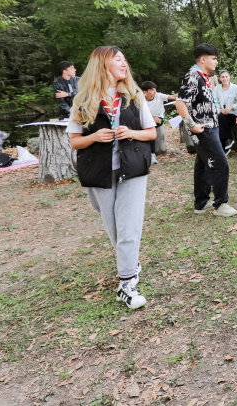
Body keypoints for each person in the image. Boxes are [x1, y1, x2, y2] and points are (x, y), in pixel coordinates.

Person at [68, 46, 157, 310]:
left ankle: (127, 284)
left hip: (133, 166)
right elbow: (74, 141)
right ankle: (130, 263)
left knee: (129, 225)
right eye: (117, 59)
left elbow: (151, 133)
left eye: (124, 59)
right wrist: (94, 137)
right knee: (115, 227)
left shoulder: (134, 96)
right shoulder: (82, 100)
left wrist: (131, 132)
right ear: (101, 64)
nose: (124, 63)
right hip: (99, 170)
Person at [175, 44, 237, 218]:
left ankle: (201, 203)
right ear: (203, 59)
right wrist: (192, 125)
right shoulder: (193, 76)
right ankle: (221, 204)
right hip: (203, 129)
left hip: (211, 126)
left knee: (203, 165)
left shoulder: (203, 76)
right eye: (214, 58)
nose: (217, 62)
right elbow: (180, 102)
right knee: (220, 164)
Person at [139, 81, 175, 160]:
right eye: (152, 90)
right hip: (146, 120)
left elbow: (173, 97)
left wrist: (184, 96)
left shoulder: (159, 96)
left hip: (159, 120)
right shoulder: (140, 99)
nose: (154, 91)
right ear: (145, 92)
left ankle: (152, 155)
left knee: (151, 126)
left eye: (155, 89)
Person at [213, 71, 237, 154]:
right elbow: (215, 101)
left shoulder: (235, 88)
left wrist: (230, 107)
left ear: (229, 77)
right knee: (219, 118)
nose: (225, 79)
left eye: (226, 77)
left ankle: (226, 141)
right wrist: (219, 109)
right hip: (222, 113)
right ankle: (226, 143)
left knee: (221, 118)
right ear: (219, 78)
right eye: (222, 77)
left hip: (234, 113)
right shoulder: (217, 88)